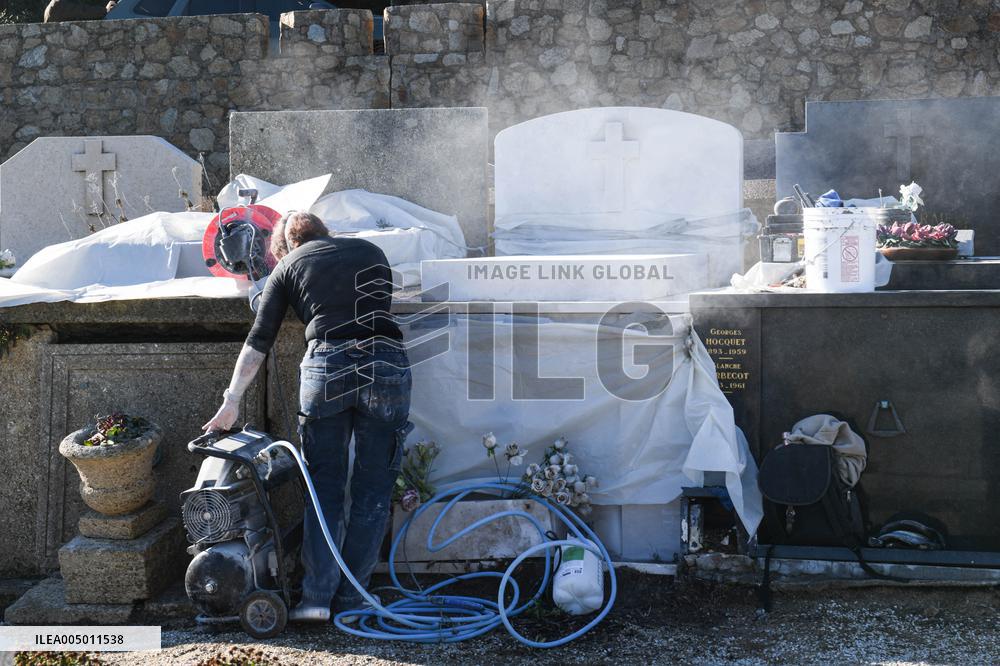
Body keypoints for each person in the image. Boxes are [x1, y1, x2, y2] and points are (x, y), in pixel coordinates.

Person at [203, 211, 411, 623]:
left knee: (324, 488)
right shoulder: (371, 251)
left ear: (287, 247)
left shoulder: (288, 267)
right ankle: (354, 602)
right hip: (385, 365)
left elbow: (259, 339)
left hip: (328, 367)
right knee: (372, 489)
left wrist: (231, 401)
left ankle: (316, 599)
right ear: (324, 232)